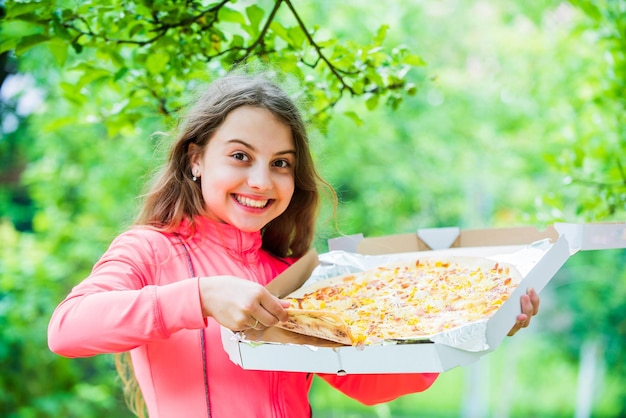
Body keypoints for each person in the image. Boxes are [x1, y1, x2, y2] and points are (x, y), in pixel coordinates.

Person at [47, 69, 540, 418]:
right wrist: (199, 298)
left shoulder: (292, 276)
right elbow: (68, 329)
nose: (261, 180)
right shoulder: (150, 250)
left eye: (281, 163)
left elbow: (367, 382)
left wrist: (478, 325)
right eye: (240, 156)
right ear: (196, 159)